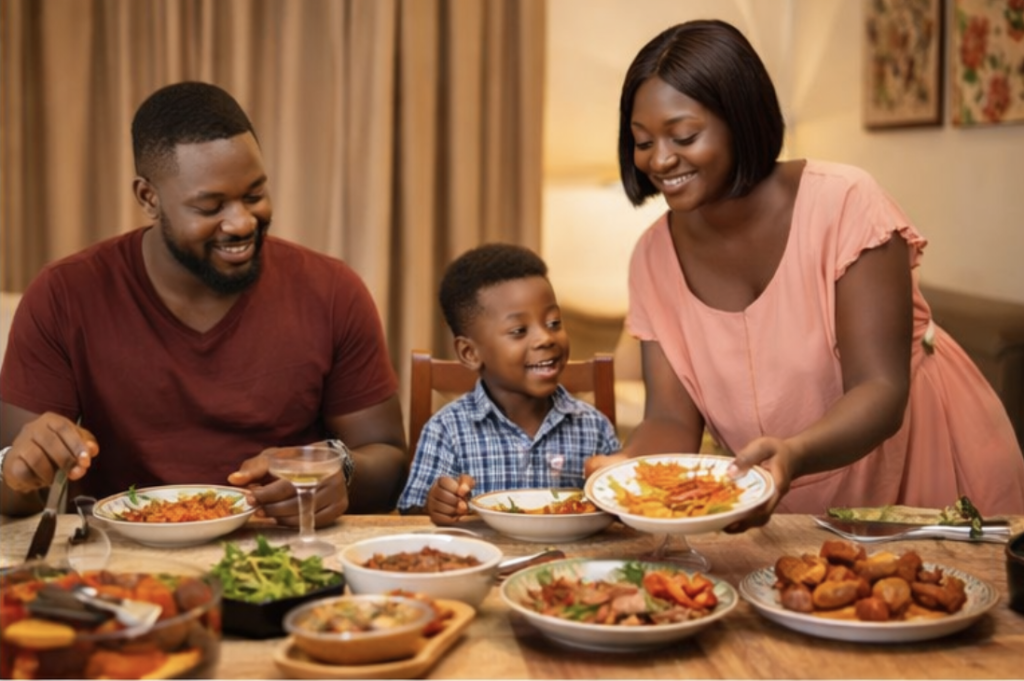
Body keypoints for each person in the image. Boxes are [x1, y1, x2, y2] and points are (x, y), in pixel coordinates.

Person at [585, 19, 1024, 524]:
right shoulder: (651, 257)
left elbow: (880, 390)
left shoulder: (846, 203)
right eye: (642, 142)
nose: (660, 160)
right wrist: (630, 471)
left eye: (683, 135)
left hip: (926, 469)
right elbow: (668, 417)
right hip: (783, 490)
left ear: (741, 118)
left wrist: (792, 455)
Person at [0, 81, 409, 524]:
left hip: (285, 557)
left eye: (254, 195)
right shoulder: (64, 295)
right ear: (148, 197)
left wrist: (339, 475)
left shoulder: (332, 290)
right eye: (210, 206)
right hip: (121, 567)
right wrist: (20, 470)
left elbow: (388, 463)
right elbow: (14, 492)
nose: (241, 222)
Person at [398, 243, 620, 525]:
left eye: (554, 322)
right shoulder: (447, 430)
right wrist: (437, 504)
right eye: (519, 331)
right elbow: (412, 515)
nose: (546, 339)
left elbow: (621, 510)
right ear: (470, 353)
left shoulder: (594, 427)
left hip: (568, 565)